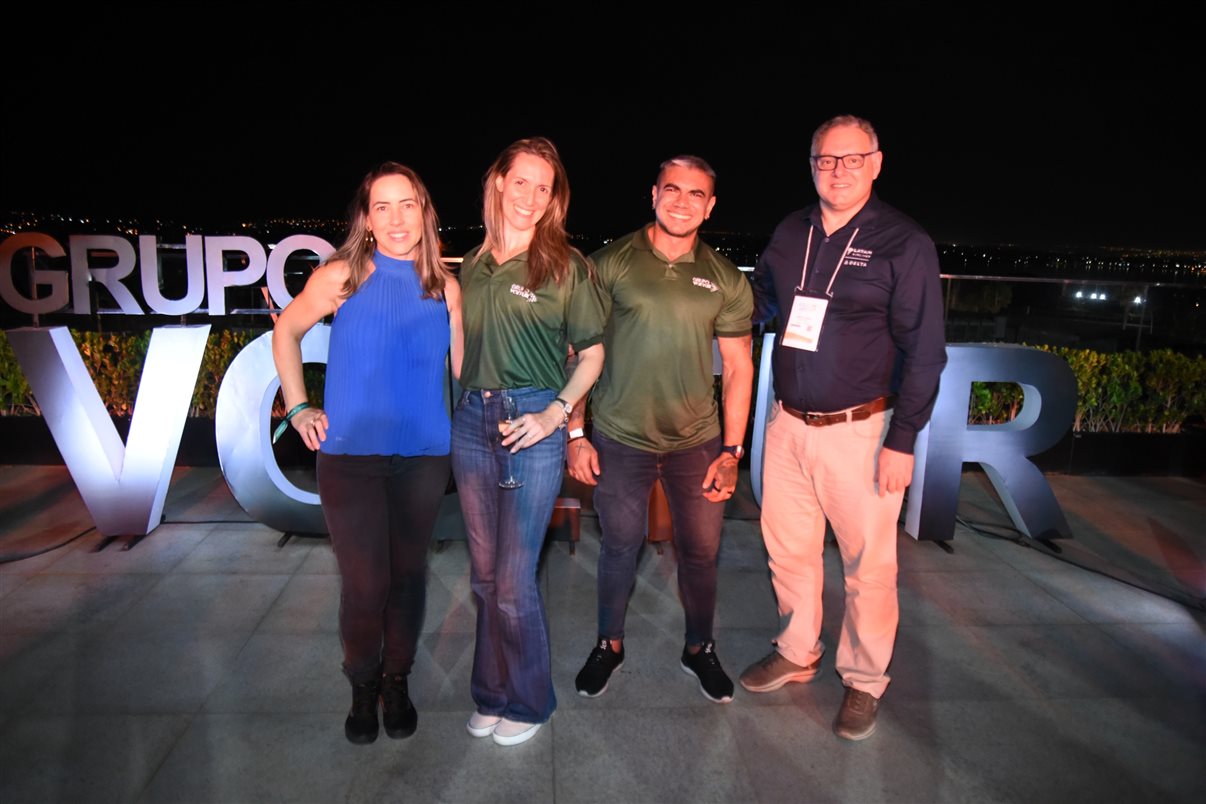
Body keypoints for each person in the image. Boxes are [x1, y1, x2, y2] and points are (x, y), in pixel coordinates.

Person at [743, 115, 947, 740]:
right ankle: (798, 650)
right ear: (811, 164)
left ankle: (863, 679)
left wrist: (903, 441)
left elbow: (925, 350)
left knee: (868, 566)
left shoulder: (903, 242)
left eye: (851, 159)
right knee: (790, 550)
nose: (837, 170)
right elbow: (762, 306)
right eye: (825, 160)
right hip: (786, 422)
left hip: (862, 432)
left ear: (876, 163)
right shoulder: (789, 230)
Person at [271, 163, 461, 744]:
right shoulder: (341, 277)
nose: (397, 218)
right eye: (383, 207)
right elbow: (287, 332)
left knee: (408, 579)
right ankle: (362, 682)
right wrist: (299, 406)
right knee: (366, 585)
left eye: (408, 205)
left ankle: (396, 680)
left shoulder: (446, 287)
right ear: (367, 218)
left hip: (424, 458)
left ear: (425, 212)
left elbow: (465, 373)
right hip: (350, 459)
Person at [567, 156, 754, 704]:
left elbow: (739, 368)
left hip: (696, 441)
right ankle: (610, 644)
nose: (682, 201)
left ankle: (699, 648)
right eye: (672, 189)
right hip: (620, 438)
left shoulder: (723, 278)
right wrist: (577, 434)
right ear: (653, 194)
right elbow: (579, 349)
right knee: (619, 547)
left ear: (710, 205)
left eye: (696, 194)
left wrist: (732, 451)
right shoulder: (610, 262)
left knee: (700, 551)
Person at [454, 137, 606, 747]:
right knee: (484, 578)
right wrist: (462, 403)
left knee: (515, 579)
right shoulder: (471, 261)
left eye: (544, 188)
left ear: (553, 200)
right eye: (522, 182)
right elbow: (463, 346)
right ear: (498, 182)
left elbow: (592, 355)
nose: (531, 196)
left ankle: (530, 700)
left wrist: (556, 416)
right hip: (472, 422)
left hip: (531, 425)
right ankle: (490, 693)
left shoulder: (565, 266)